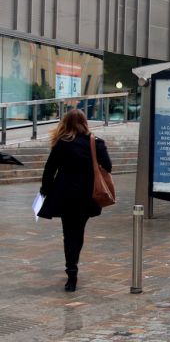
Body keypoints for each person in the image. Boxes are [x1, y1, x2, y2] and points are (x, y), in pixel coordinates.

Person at [39, 109, 112, 292]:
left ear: (66, 123)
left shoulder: (62, 144)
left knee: (68, 232)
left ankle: (71, 271)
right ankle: (73, 265)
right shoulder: (96, 143)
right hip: (87, 195)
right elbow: (108, 166)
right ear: (85, 122)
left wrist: (44, 191)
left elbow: (49, 170)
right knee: (78, 231)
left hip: (65, 195)